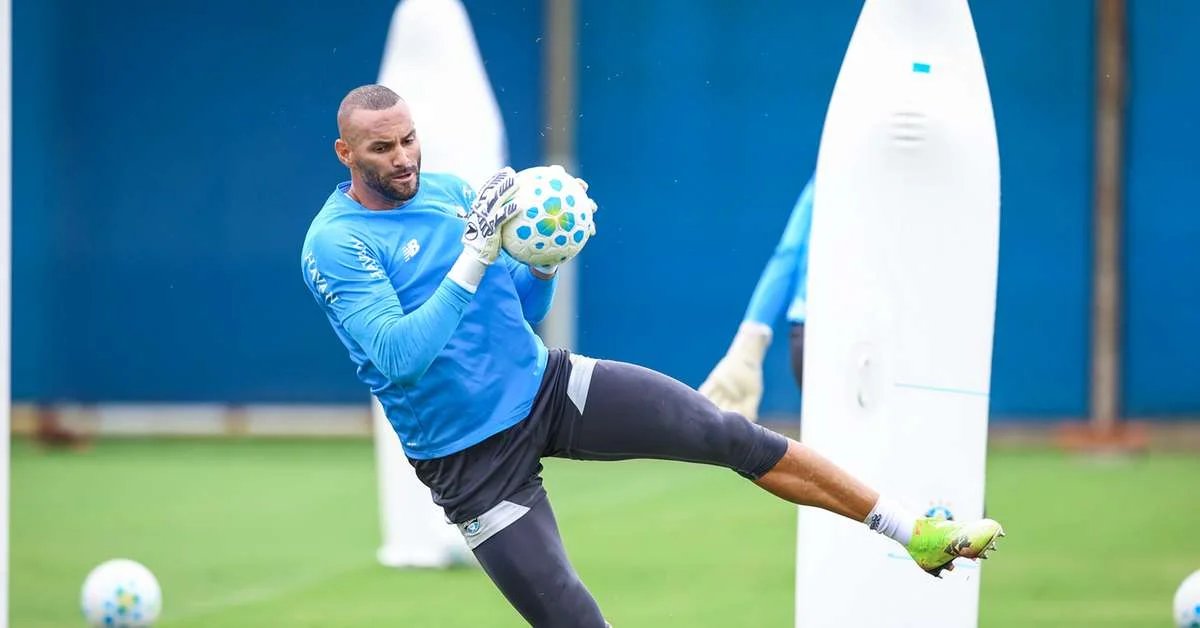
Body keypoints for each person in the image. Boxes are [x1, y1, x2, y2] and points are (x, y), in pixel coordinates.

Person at [300, 84, 1004, 627]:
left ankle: (915, 531)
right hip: (471, 459)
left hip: (547, 387)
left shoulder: (449, 192)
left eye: (409, 140)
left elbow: (518, 307)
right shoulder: (336, 243)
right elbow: (400, 356)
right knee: (574, 620)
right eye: (382, 149)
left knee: (728, 433)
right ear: (345, 154)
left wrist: (542, 261)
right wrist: (477, 257)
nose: (403, 159)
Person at [700, 176, 814, 421]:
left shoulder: (830, 169)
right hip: (858, 338)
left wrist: (750, 340)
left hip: (807, 338)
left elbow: (788, 253)